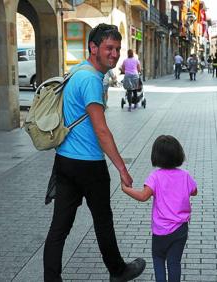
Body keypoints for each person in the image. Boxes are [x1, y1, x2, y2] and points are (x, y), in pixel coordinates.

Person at [43, 23, 146, 282]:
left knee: (59, 227)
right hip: (88, 164)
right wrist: (122, 168)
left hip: (65, 161)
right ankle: (118, 271)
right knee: (103, 221)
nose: (114, 54)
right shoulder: (90, 79)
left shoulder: (78, 70)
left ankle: (51, 278)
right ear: (93, 47)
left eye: (117, 49)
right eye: (109, 48)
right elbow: (101, 130)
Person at [121, 135, 198, 282]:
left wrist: (126, 189)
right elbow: (194, 191)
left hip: (161, 230)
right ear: (178, 154)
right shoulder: (185, 175)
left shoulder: (155, 177)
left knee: (158, 259)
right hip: (181, 229)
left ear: (156, 156)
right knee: (174, 262)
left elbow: (143, 196)